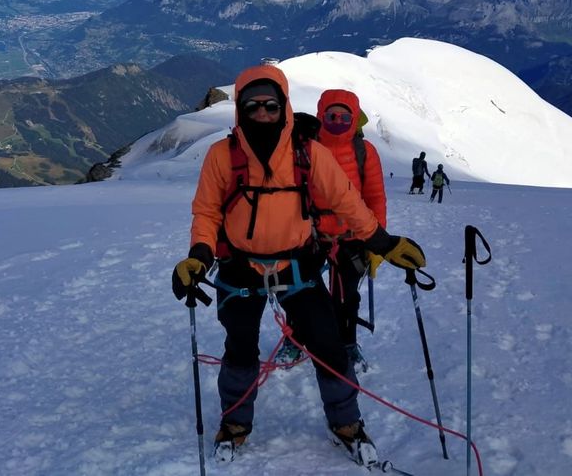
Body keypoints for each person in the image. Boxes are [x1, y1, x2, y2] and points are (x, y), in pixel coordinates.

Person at [171, 65, 427, 466]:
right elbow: (206, 212)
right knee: (240, 349)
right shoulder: (223, 155)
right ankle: (236, 424)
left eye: (270, 105)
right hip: (240, 266)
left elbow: (347, 202)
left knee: (327, 343)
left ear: (283, 107)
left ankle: (346, 423)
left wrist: (384, 243)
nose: (261, 113)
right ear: (240, 108)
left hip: (298, 263)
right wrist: (199, 256)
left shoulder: (309, 153)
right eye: (252, 106)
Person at [313, 89, 387, 372]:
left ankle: (347, 344)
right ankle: (296, 339)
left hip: (353, 239)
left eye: (345, 116)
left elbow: (375, 198)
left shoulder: (364, 152)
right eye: (331, 115)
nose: (338, 120)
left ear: (354, 118)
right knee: (303, 296)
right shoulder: (307, 146)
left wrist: (376, 243)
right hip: (312, 237)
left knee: (347, 298)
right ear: (321, 115)